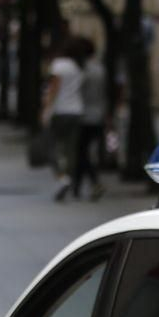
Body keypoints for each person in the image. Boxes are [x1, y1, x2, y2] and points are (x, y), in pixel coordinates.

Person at [44, 39, 85, 202]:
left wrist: (46, 110)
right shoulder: (77, 66)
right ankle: (68, 177)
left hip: (60, 111)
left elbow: (54, 88)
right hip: (76, 111)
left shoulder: (58, 65)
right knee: (70, 149)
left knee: (51, 146)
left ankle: (61, 177)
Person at [72, 37, 107, 201]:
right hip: (98, 114)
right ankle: (77, 186)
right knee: (84, 151)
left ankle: (93, 182)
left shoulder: (83, 70)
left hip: (84, 116)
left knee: (81, 152)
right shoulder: (100, 69)